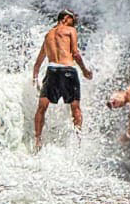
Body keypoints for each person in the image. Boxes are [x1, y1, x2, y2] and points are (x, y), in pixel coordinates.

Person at [32, 10, 93, 149]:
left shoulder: (48, 35)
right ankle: (79, 142)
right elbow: (75, 54)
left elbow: (37, 63)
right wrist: (85, 71)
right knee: (75, 107)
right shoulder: (70, 30)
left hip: (51, 71)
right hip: (68, 71)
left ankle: (38, 141)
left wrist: (35, 79)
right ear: (65, 18)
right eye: (73, 19)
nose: (74, 23)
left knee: (41, 108)